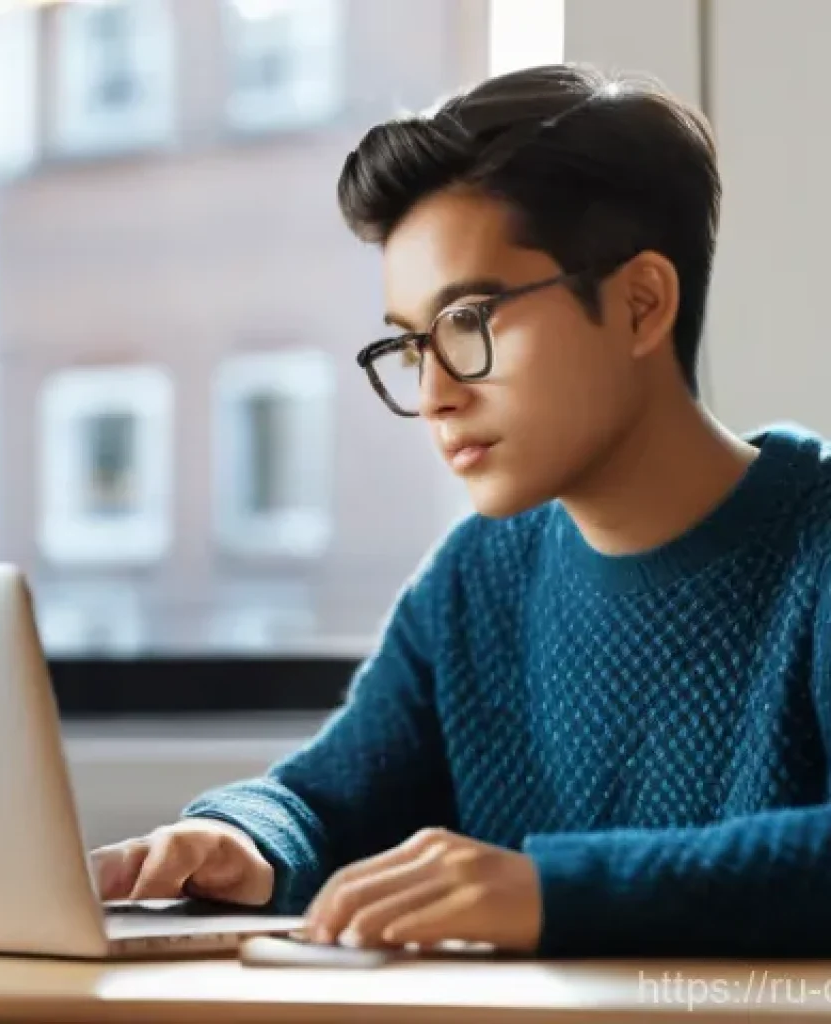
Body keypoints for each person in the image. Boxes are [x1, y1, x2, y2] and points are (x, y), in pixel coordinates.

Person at [91, 63, 831, 957]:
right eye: (412, 347)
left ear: (641, 305)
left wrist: (550, 890)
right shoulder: (478, 575)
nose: (435, 393)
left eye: (470, 321)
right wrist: (240, 838)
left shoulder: (817, 546)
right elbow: (324, 799)